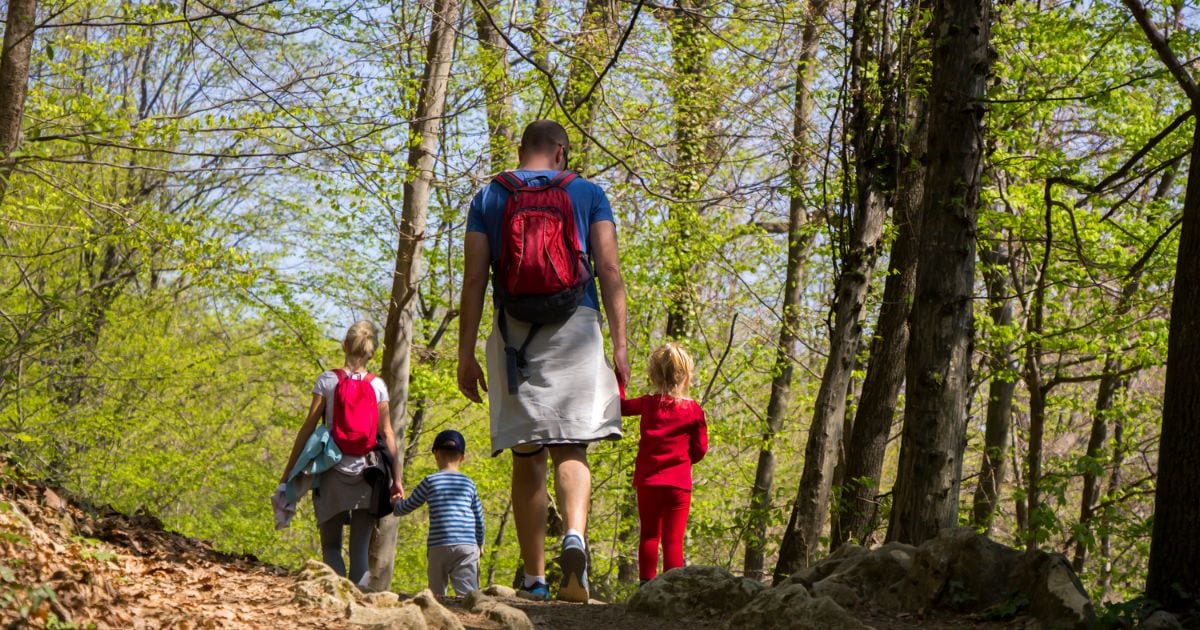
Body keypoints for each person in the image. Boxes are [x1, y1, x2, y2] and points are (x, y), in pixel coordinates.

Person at [456, 120, 629, 602]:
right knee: (572, 448)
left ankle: (534, 579)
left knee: (527, 455)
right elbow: (609, 268)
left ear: (520, 150)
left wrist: (466, 352)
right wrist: (619, 345)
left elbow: (474, 279)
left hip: (516, 336)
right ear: (561, 152)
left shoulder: (491, 196)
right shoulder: (588, 193)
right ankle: (574, 535)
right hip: (577, 325)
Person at [279, 321, 402, 587]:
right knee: (359, 552)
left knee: (332, 547)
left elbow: (309, 427)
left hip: (330, 471)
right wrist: (397, 480)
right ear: (372, 352)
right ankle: (359, 609)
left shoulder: (328, 380)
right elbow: (388, 434)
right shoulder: (378, 385)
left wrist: (289, 471)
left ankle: (337, 602)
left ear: (344, 346)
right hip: (368, 475)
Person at [619, 343, 708, 584]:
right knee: (673, 540)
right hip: (678, 486)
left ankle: (646, 583)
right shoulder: (694, 410)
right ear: (687, 375)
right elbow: (700, 450)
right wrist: (685, 458)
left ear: (654, 375)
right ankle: (672, 587)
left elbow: (621, 407)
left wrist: (619, 379)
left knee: (649, 535)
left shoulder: (648, 403)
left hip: (649, 482)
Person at [392, 429, 485, 597]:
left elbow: (406, 507)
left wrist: (396, 503)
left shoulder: (430, 481)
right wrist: (480, 542)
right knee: (469, 595)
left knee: (436, 595)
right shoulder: (468, 483)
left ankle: (437, 618)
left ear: (436, 454)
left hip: (438, 545)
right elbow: (478, 516)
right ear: (462, 457)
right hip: (467, 546)